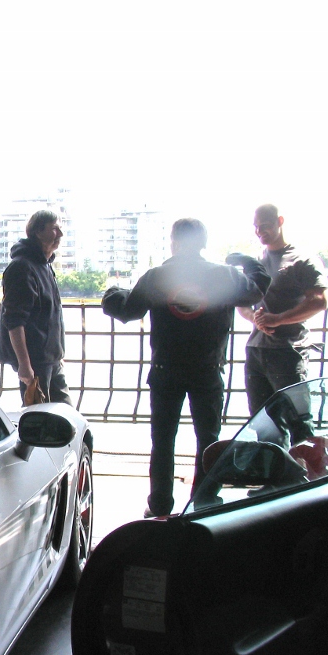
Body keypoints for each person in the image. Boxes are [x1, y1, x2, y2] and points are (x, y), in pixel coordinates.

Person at [102, 218, 267, 517]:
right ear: (203, 243)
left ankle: (160, 505)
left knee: (163, 440)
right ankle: (202, 503)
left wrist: (113, 291)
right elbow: (258, 290)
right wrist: (248, 262)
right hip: (208, 369)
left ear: (173, 241)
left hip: (166, 370)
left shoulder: (157, 277)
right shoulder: (225, 276)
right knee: (208, 438)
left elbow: (127, 310)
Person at [238, 204, 328, 415]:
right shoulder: (256, 263)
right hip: (257, 351)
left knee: (298, 421)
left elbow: (319, 300)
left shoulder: (302, 259)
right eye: (256, 227)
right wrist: (256, 318)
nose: (260, 231)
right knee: (260, 422)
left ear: (280, 221)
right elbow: (241, 302)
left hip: (289, 351)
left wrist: (277, 319)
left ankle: (299, 449)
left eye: (265, 225)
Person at [0, 210, 71, 405]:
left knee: (66, 417)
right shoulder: (22, 268)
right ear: (38, 231)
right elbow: (13, 320)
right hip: (36, 362)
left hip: (50, 360)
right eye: (54, 229)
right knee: (40, 423)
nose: (60, 235)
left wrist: (56, 353)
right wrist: (24, 365)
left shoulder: (44, 266)